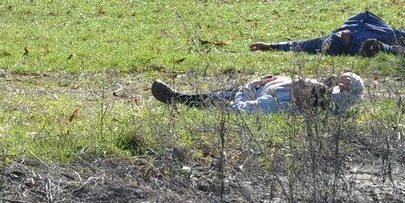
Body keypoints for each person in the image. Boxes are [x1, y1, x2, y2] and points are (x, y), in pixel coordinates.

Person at [151, 72, 365, 114]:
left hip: (248, 94)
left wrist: (251, 85)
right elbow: (356, 95)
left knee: (217, 98)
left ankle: (177, 98)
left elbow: (242, 109)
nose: (299, 81)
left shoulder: (276, 104)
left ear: (303, 98)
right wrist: (352, 80)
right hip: (267, 84)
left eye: (301, 86)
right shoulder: (329, 97)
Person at [250, 11, 405, 57]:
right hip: (387, 32)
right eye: (342, 36)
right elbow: (392, 49)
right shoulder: (363, 45)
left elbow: (297, 45)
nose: (341, 33)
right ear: (346, 43)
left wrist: (269, 45)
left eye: (339, 34)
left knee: (396, 32)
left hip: (366, 18)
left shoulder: (325, 40)